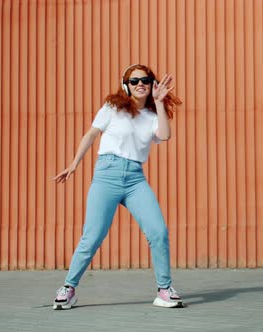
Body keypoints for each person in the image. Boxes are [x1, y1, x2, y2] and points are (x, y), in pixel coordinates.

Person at [52, 64, 183, 310]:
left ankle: (164, 290)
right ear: (126, 86)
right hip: (107, 175)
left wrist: (160, 103)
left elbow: (165, 136)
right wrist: (74, 164)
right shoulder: (113, 108)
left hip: (135, 179)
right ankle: (69, 288)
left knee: (158, 232)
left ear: (152, 84)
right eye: (134, 81)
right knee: (92, 236)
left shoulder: (154, 116)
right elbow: (91, 134)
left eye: (145, 80)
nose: (140, 84)